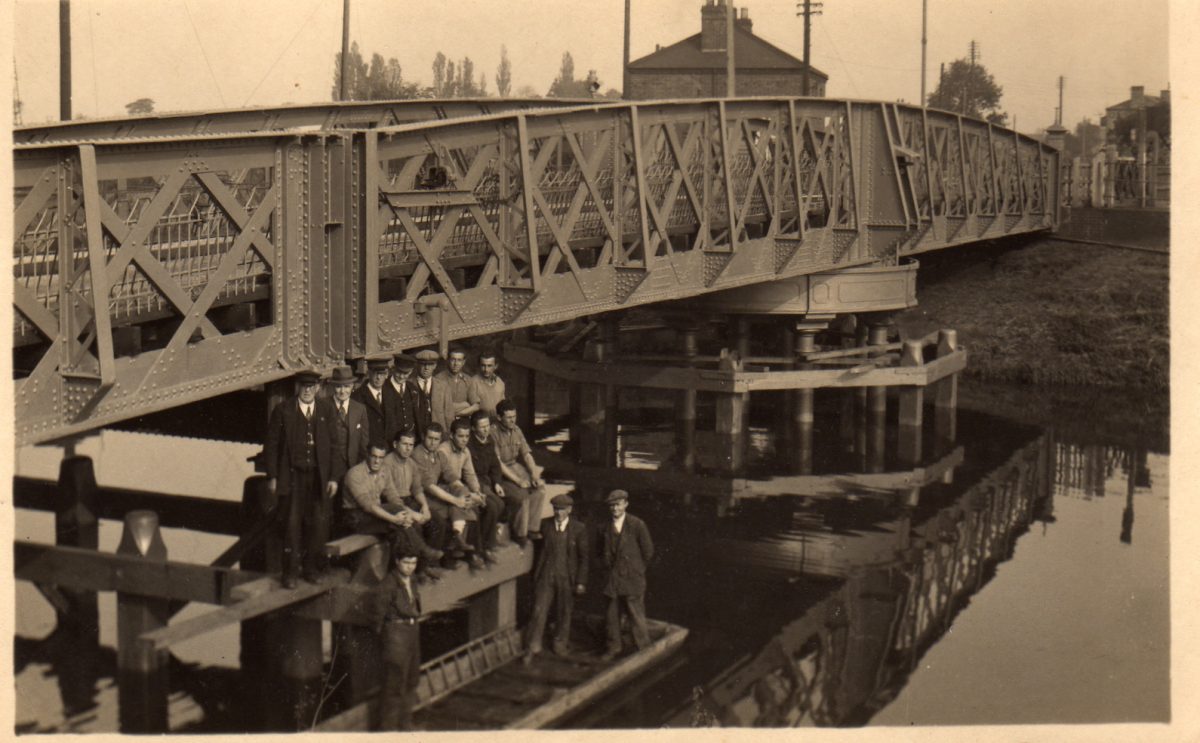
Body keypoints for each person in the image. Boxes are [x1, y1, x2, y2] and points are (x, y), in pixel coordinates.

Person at [264, 369, 335, 588]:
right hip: (292, 476)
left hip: (317, 476)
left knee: (315, 524)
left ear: (317, 388)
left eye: (311, 387)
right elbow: (272, 445)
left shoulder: (325, 409)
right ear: (298, 388)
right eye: (303, 387)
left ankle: (311, 569)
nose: (307, 391)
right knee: (291, 525)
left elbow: (334, 445)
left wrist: (333, 477)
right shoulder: (283, 410)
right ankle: (290, 574)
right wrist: (273, 476)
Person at [340, 442, 442, 578]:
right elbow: (368, 506)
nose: (377, 461)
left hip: (376, 514)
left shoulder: (384, 470)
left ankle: (413, 570)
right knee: (398, 522)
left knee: (406, 524)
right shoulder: (355, 473)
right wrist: (395, 518)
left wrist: (408, 514)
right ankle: (422, 554)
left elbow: (393, 496)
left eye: (381, 457)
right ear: (367, 455)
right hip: (355, 518)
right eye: (373, 456)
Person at [524, 493, 588, 662]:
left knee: (564, 611)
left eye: (562, 510)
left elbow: (583, 558)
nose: (559, 513)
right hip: (546, 574)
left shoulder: (579, 529)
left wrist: (581, 582)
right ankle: (533, 646)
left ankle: (559, 644)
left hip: (567, 577)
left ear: (569, 510)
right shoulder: (544, 525)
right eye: (556, 509)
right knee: (539, 610)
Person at [410, 423, 481, 568]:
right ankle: (440, 560)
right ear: (423, 437)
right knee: (450, 511)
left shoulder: (438, 454)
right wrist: (456, 500)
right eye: (430, 438)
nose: (433, 442)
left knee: (466, 500)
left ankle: (459, 539)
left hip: (435, 494)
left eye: (436, 439)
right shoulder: (417, 454)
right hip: (420, 496)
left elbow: (451, 476)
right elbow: (429, 487)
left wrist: (468, 494)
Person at [596, 489, 654, 660]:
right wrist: (605, 569)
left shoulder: (637, 525)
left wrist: (636, 570)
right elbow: (598, 553)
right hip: (612, 579)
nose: (615, 508)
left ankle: (643, 647)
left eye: (618, 504)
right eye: (612, 505)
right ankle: (613, 647)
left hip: (632, 578)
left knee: (635, 614)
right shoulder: (603, 528)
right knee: (611, 615)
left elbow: (648, 551)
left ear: (626, 504)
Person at [374, 549, 423, 731]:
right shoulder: (388, 584)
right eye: (406, 563)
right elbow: (377, 615)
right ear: (396, 562)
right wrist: (387, 636)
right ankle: (388, 730)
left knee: (412, 679)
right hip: (396, 631)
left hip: (412, 629)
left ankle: (405, 724)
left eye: (413, 563)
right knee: (394, 683)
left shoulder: (413, 579)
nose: (410, 567)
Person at [436, 418, 495, 567]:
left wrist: (477, 491)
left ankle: (473, 551)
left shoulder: (465, 451)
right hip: (443, 488)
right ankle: (467, 554)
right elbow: (448, 477)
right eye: (460, 436)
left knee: (481, 504)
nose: (464, 440)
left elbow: (470, 474)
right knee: (469, 506)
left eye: (467, 436)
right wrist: (469, 495)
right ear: (451, 435)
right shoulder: (443, 451)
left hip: (457, 487)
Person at [493, 399, 547, 545]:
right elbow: (498, 463)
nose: (512, 420)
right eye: (509, 417)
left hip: (516, 466)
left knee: (539, 490)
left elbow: (526, 454)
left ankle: (532, 528)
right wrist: (518, 481)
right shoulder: (493, 433)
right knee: (522, 496)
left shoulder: (517, 430)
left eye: (514, 417)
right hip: (501, 472)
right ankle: (520, 533)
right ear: (499, 417)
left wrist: (534, 474)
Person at [466, 410, 509, 558]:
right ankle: (483, 546)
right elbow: (468, 473)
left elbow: (495, 466)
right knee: (491, 506)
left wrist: (497, 483)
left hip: (486, 481)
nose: (486, 429)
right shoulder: (469, 445)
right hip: (473, 482)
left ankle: (488, 541)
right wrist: (478, 489)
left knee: (501, 504)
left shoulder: (489, 440)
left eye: (488, 426)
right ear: (473, 428)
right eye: (482, 427)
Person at [327, 365, 370, 495]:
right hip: (329, 467)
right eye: (339, 386)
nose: (342, 391)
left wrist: (362, 469)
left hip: (352, 466)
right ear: (333, 387)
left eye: (346, 386)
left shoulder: (360, 409)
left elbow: (364, 442)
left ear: (352, 387)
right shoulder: (322, 406)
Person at [411, 349, 455, 438]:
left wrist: (449, 434)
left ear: (435, 366)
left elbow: (449, 414)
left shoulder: (443, 386)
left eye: (430, 364)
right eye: (423, 364)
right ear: (417, 365)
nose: (426, 368)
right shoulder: (409, 384)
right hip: (416, 434)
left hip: (438, 434)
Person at [382, 353, 420, 447]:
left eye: (405, 373)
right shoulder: (383, 388)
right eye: (399, 372)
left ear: (411, 372)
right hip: (390, 443)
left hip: (409, 442)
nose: (402, 376)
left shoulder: (412, 389)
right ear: (393, 369)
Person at [353, 355, 391, 448]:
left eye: (382, 373)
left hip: (387, 448)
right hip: (369, 449)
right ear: (368, 373)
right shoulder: (357, 397)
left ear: (386, 375)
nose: (378, 377)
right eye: (375, 373)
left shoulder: (390, 393)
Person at [435, 345, 481, 420]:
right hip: (445, 422)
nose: (456, 364)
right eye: (453, 359)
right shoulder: (438, 379)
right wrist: (465, 405)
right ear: (448, 360)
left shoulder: (468, 379)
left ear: (463, 362)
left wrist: (458, 414)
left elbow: (476, 406)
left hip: (464, 423)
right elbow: (439, 407)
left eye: (459, 360)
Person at [468, 351, 507, 420]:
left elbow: (503, 406)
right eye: (483, 365)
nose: (486, 369)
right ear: (479, 365)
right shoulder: (473, 382)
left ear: (496, 366)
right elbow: (475, 409)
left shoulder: (500, 382)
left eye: (489, 366)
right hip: (481, 424)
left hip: (498, 423)